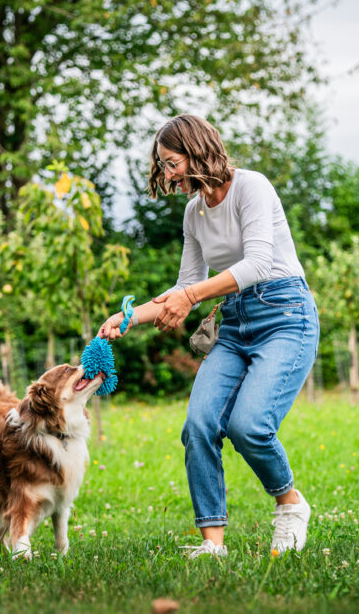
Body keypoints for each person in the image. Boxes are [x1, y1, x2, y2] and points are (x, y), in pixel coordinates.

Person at [99, 114, 320, 558]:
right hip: (235, 323)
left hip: (285, 315)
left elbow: (258, 264)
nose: (167, 174)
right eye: (162, 165)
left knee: (249, 426)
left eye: (171, 162)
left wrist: (192, 296)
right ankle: (212, 543)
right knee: (199, 425)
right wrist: (129, 318)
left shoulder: (251, 187)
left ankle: (290, 504)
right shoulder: (193, 212)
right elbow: (187, 287)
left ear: (197, 149)